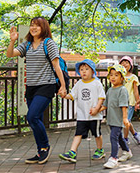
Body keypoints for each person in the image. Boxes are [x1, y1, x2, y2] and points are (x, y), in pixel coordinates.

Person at [6, 18, 67, 164]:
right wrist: (12, 41)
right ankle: (40, 151)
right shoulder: (27, 44)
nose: (33, 28)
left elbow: (56, 65)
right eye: (32, 25)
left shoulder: (48, 43)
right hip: (31, 87)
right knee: (35, 119)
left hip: (46, 85)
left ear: (43, 28)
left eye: (37, 26)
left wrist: (63, 86)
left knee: (32, 116)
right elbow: (10, 54)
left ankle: (45, 147)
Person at [59, 59, 106, 162]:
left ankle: (100, 150)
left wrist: (97, 109)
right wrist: (65, 95)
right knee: (78, 134)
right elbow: (72, 95)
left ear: (93, 71)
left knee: (97, 134)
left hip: (94, 116)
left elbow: (101, 97)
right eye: (81, 69)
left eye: (86, 69)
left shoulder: (97, 83)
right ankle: (72, 152)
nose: (84, 71)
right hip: (82, 115)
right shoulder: (79, 83)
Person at [100, 64, 132, 169]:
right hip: (111, 119)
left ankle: (113, 158)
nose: (113, 77)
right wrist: (95, 110)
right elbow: (105, 105)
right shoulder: (110, 90)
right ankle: (127, 151)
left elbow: (124, 106)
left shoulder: (122, 90)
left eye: (116, 75)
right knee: (119, 137)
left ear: (122, 78)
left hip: (118, 120)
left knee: (113, 137)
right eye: (111, 75)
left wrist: (124, 118)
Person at [119, 56, 140, 146]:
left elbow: (136, 91)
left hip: (130, 103)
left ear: (131, 65)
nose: (124, 64)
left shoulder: (133, 77)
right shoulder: (119, 77)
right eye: (122, 62)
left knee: (126, 121)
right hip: (120, 103)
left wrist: (137, 102)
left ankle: (125, 139)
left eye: (127, 62)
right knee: (127, 122)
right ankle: (135, 135)